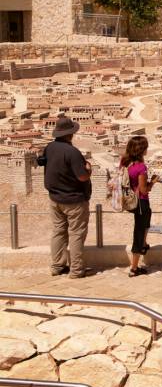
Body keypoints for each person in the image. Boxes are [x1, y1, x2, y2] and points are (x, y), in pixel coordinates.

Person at [37, 116, 92, 279]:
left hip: (55, 199)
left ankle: (57, 266)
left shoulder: (50, 147)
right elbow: (82, 177)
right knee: (76, 234)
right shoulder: (72, 152)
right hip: (74, 200)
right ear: (71, 134)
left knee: (58, 232)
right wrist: (89, 170)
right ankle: (76, 270)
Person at [120, 136, 158, 278]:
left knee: (144, 223)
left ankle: (143, 243)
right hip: (141, 202)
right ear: (142, 149)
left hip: (132, 201)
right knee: (139, 231)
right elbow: (144, 190)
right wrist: (153, 181)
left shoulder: (125, 163)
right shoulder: (141, 167)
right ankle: (134, 267)